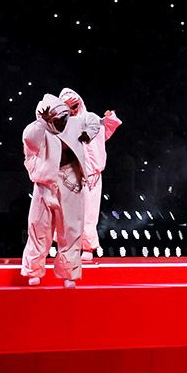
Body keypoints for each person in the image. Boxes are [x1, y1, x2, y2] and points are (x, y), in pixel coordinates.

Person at [20, 94, 84, 286]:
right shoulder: (36, 130)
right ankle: (34, 270)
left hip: (71, 179)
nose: (64, 123)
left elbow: (94, 124)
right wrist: (42, 122)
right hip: (46, 184)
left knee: (71, 229)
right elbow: (30, 140)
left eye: (65, 118)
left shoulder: (74, 125)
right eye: (60, 120)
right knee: (39, 227)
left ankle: (69, 274)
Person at [57, 88, 119, 262]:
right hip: (70, 175)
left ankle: (87, 247)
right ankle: (68, 248)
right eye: (68, 107)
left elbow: (105, 129)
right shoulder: (61, 125)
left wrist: (109, 119)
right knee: (68, 214)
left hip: (92, 175)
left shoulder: (91, 118)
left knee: (89, 214)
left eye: (75, 105)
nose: (73, 109)